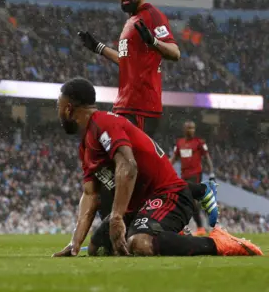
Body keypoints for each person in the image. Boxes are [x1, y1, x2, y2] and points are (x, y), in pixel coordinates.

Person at [52, 77, 262, 257]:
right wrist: (75, 244)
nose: (58, 112)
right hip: (140, 205)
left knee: (140, 243)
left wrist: (116, 216)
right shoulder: (85, 145)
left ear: (69, 108)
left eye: (59, 106)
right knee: (97, 248)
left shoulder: (104, 123)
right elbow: (90, 195)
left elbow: (129, 165)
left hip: (169, 194)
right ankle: (168, 235)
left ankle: (218, 243)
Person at [77, 0, 218, 232]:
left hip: (141, 106)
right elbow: (126, 62)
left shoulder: (151, 16)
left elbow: (174, 52)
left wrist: (153, 40)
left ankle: (194, 194)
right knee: (115, 171)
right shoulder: (130, 22)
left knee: (130, 171)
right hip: (124, 104)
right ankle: (121, 230)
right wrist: (97, 47)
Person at [170, 121, 217, 235]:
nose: (191, 130)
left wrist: (211, 172)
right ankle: (188, 227)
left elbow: (207, 157)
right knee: (184, 201)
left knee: (191, 200)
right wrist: (165, 167)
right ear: (184, 129)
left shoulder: (199, 142)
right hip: (184, 176)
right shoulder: (179, 143)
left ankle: (199, 227)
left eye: (193, 128)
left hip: (195, 174)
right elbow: (173, 158)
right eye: (189, 128)